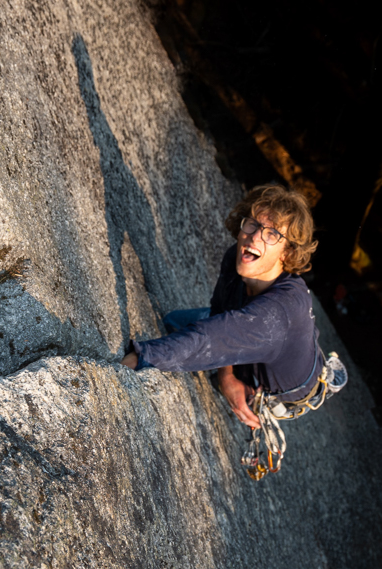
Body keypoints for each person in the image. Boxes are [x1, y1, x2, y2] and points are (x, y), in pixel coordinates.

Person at [120, 184, 322, 430]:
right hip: (248, 332)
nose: (255, 236)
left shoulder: (277, 314)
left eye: (272, 235)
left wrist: (137, 360)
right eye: (253, 224)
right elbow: (220, 314)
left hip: (269, 381)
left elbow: (206, 340)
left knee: (181, 338)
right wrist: (226, 375)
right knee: (174, 321)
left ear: (287, 253)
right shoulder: (237, 257)